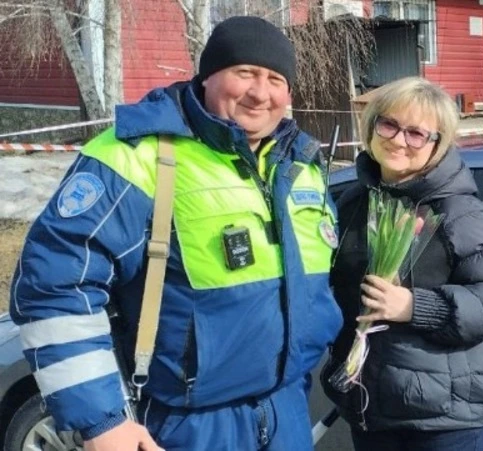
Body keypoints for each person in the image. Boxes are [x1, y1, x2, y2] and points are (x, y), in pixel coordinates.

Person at [9, 16, 342, 451]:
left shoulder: (302, 165)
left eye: (276, 79)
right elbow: (54, 286)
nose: (261, 93)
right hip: (185, 429)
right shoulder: (137, 157)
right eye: (245, 73)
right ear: (207, 76)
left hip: (287, 414)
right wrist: (103, 422)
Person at [321, 77, 483, 450]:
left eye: (416, 133)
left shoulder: (460, 213)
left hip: (441, 418)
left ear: (437, 144)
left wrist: (413, 306)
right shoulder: (353, 202)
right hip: (370, 406)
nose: (398, 140)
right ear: (372, 126)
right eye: (390, 124)